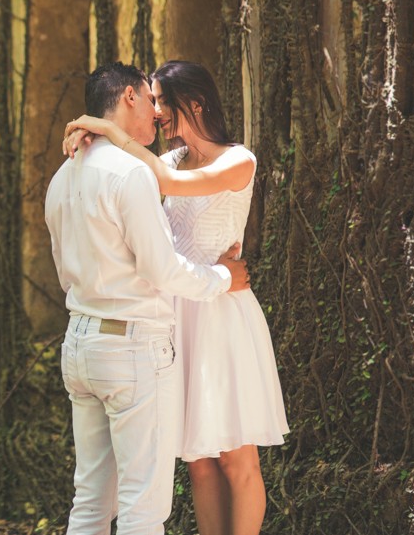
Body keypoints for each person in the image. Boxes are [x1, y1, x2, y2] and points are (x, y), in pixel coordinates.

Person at [62, 59, 289, 535]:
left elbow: (167, 186)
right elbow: (140, 176)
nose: (158, 112)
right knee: (198, 462)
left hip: (221, 313)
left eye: (163, 100)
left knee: (237, 458)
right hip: (172, 315)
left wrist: (104, 129)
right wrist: (98, 141)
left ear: (197, 103)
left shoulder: (237, 160)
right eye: (152, 100)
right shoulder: (167, 160)